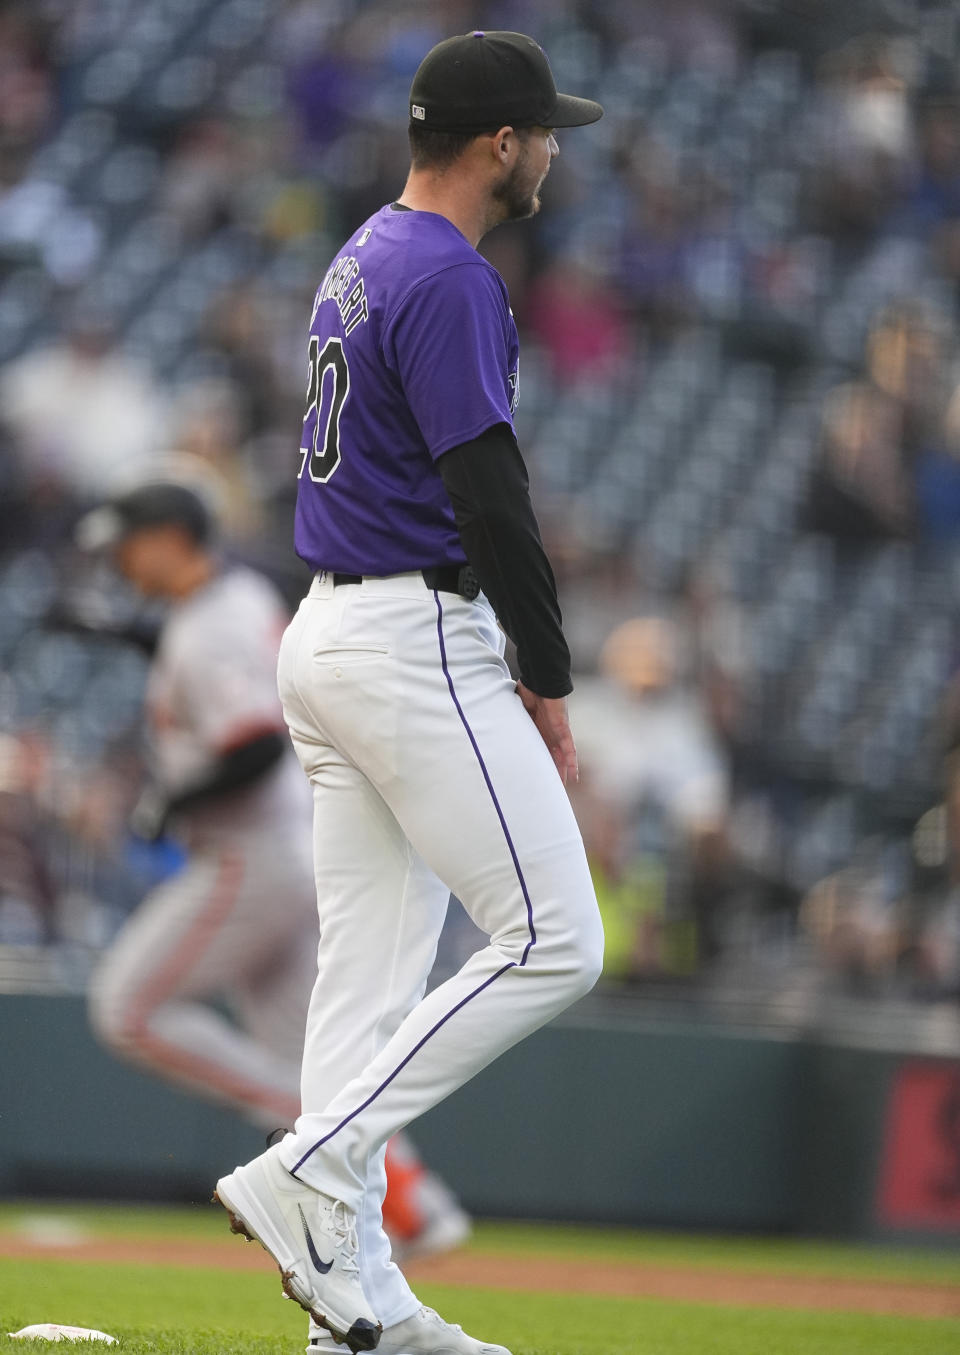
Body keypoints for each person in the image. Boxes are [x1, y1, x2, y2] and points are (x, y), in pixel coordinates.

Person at [213, 31, 605, 1355]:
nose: (553, 148)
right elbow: (491, 493)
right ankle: (312, 1161)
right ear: (501, 142)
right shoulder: (448, 269)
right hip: (407, 632)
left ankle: (358, 1305)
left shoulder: (365, 250)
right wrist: (547, 678)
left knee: (366, 988)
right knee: (557, 936)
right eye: (545, 129)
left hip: (329, 636)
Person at [75, 481, 470, 1261]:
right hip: (289, 851)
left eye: (127, 542)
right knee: (320, 1063)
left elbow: (252, 743)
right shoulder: (230, 597)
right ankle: (418, 1208)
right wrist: (128, 637)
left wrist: (168, 796)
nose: (119, 559)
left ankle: (305, 1137)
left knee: (126, 1007)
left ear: (167, 537)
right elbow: (215, 664)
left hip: (248, 856)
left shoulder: (208, 626)